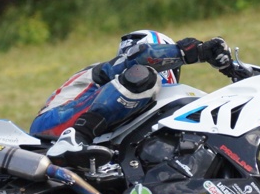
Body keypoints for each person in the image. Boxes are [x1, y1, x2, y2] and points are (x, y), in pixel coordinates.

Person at [30, 29, 234, 166]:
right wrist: (194, 52)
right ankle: (75, 138)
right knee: (144, 75)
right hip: (56, 123)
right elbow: (140, 58)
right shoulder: (110, 69)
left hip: (86, 126)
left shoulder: (126, 98)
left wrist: (235, 71)